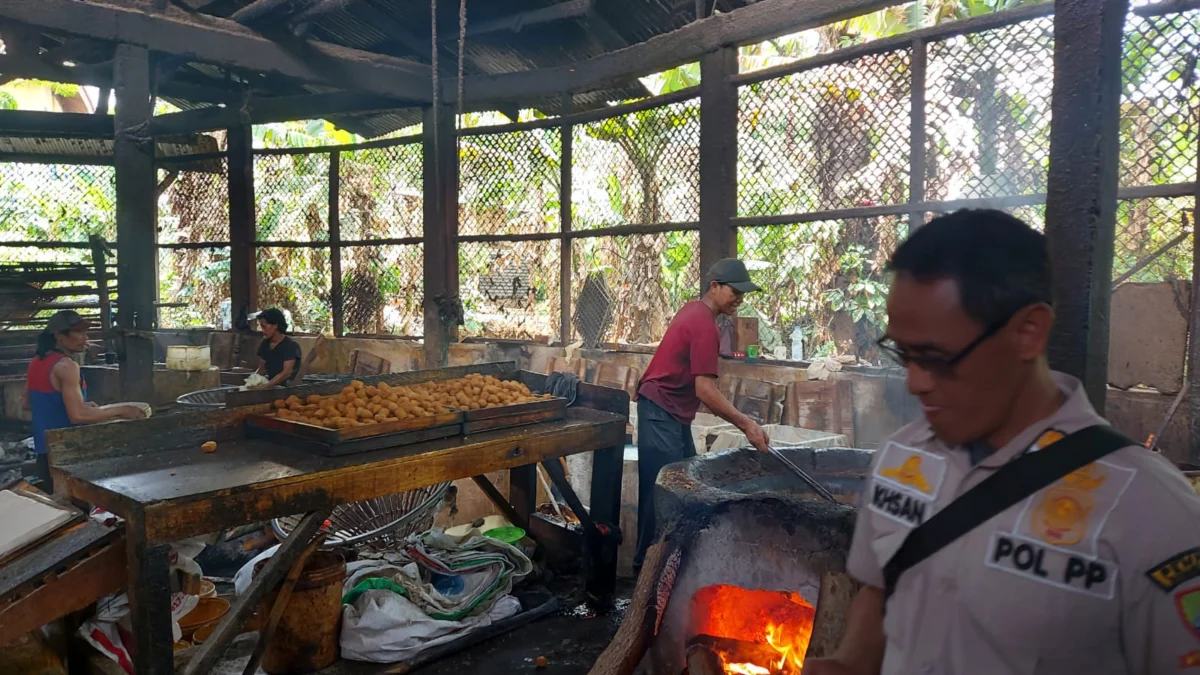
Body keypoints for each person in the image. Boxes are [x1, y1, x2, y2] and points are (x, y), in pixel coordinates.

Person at [806, 210, 1200, 675]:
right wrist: (850, 662)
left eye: (936, 357)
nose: (915, 384)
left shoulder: (1152, 513)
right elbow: (882, 589)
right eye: (904, 354)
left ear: (1027, 332)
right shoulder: (900, 459)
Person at [633, 258, 771, 571]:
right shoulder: (704, 324)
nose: (739, 299)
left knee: (686, 484)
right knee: (664, 495)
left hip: (667, 410)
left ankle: (674, 567)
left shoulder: (694, 311)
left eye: (744, 294)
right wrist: (747, 424)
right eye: (734, 291)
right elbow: (705, 391)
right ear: (714, 287)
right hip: (660, 410)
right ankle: (645, 573)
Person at [26, 310, 146, 492]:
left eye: (85, 332)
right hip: (66, 454)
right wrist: (123, 410)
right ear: (59, 336)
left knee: (62, 513)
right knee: (77, 511)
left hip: (44, 453)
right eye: (78, 333)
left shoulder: (37, 362)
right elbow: (78, 416)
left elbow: (26, 403)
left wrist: (74, 405)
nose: (85, 337)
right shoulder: (67, 367)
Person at [253, 307, 302, 388]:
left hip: (289, 388)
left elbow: (286, 373)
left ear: (275, 325)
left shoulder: (290, 346)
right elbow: (262, 369)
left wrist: (265, 386)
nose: (262, 330)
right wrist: (251, 382)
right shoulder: (265, 344)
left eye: (264, 327)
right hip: (273, 387)